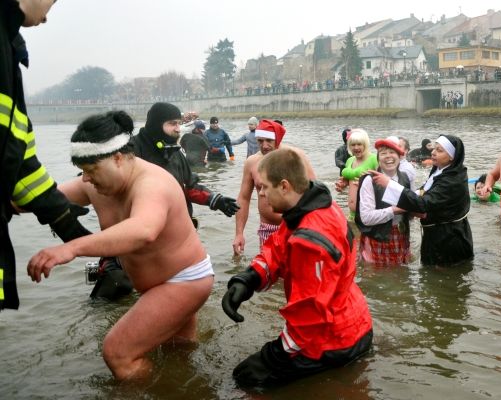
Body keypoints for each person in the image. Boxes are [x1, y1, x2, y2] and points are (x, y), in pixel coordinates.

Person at [27, 111, 214, 380]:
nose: (86, 179)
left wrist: (70, 248)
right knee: (178, 354)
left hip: (183, 280)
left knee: (118, 353)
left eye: (91, 171)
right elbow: (45, 198)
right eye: (83, 172)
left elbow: (143, 230)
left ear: (117, 158)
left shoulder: (152, 183)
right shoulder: (93, 184)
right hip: (158, 285)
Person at [221, 148, 373, 388]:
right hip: (350, 318)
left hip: (335, 340)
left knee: (245, 382)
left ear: (284, 186)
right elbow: (277, 247)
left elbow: (311, 313)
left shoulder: (310, 241)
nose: (260, 194)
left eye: (264, 188)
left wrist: (274, 355)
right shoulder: (312, 207)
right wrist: (249, 279)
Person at [0, 0, 92, 310]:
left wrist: (64, 220)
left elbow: (15, 154)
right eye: (53, 0)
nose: (48, 15)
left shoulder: (8, 44)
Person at [91, 102, 238, 300]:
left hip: (170, 237)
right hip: (136, 237)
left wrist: (215, 199)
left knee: (174, 292)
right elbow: (101, 181)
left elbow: (190, 187)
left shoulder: (175, 153)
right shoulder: (129, 151)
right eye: (172, 124)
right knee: (118, 290)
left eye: (179, 123)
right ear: (156, 124)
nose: (178, 128)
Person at [369, 135, 473, 266]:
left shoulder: (452, 180)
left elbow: (423, 204)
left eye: (439, 151)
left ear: (452, 156)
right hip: (437, 233)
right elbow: (424, 191)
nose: (433, 153)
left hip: (449, 239)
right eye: (434, 148)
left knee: (441, 275)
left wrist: (390, 184)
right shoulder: (440, 169)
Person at [232, 119, 315, 255]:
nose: (264, 146)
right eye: (260, 141)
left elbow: (314, 191)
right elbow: (244, 198)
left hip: (297, 227)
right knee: (269, 272)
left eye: (268, 141)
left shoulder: (296, 156)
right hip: (268, 228)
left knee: (297, 272)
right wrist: (239, 234)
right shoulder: (252, 162)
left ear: (278, 138)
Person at [355, 137, 411, 264]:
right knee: (377, 273)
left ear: (400, 156)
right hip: (378, 236)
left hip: (401, 234)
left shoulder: (405, 178)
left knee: (401, 272)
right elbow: (366, 218)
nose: (388, 156)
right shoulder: (370, 180)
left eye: (392, 152)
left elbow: (411, 209)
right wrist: (396, 210)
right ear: (378, 158)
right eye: (383, 153)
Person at [335, 129, 378, 218]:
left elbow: (385, 183)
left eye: (359, 144)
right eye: (353, 145)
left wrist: (367, 184)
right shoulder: (350, 160)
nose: (356, 147)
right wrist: (343, 184)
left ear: (365, 145)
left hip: (367, 214)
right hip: (352, 214)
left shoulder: (374, 159)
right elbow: (351, 180)